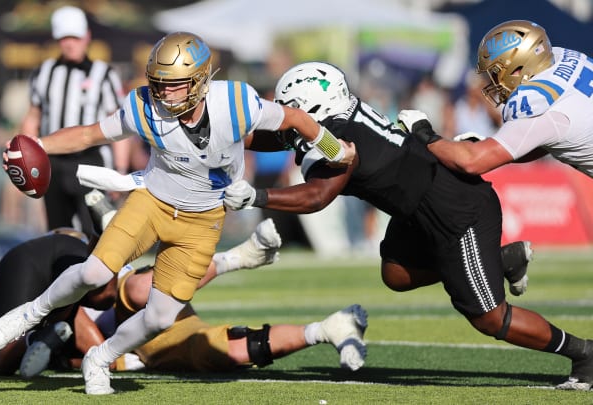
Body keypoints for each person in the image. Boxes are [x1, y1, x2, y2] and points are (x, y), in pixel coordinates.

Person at [0, 32, 353, 395]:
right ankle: (31, 313)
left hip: (203, 219)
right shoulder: (142, 106)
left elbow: (295, 119)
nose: (165, 92)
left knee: (160, 317)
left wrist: (335, 150)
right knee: (96, 271)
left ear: (202, 79)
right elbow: (90, 135)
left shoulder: (238, 103)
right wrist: (38, 144)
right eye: (159, 83)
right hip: (152, 202)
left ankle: (100, 358)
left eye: (175, 84)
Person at [222, 61, 592, 391]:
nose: (287, 118)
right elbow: (278, 135)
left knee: (489, 318)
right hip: (416, 207)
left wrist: (257, 196)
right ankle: (500, 260)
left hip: (457, 210)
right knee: (397, 274)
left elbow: (318, 196)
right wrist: (223, 131)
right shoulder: (340, 118)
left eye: (291, 110)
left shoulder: (341, 137)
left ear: (311, 106)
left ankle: (583, 352)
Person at [0, 210, 367, 377]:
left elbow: (94, 335)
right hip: (129, 336)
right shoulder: (54, 318)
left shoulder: (87, 273)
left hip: (129, 304)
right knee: (216, 354)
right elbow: (85, 347)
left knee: (135, 288)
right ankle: (322, 329)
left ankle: (237, 258)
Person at [397, 20, 593, 181]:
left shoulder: (539, 103)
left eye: (496, 73)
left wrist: (425, 135)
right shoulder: (561, 59)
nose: (493, 82)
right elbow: (543, 139)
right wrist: (497, 144)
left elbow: (471, 162)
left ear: (517, 69)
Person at [19, 6, 130, 238]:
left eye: (75, 37)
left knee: (99, 231)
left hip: (93, 161)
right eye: (64, 37)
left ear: (86, 37)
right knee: (59, 233)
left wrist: (119, 171)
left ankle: (101, 275)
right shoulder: (44, 73)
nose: (70, 43)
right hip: (53, 163)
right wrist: (26, 158)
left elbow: (119, 124)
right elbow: (33, 117)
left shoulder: (104, 74)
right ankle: (64, 273)